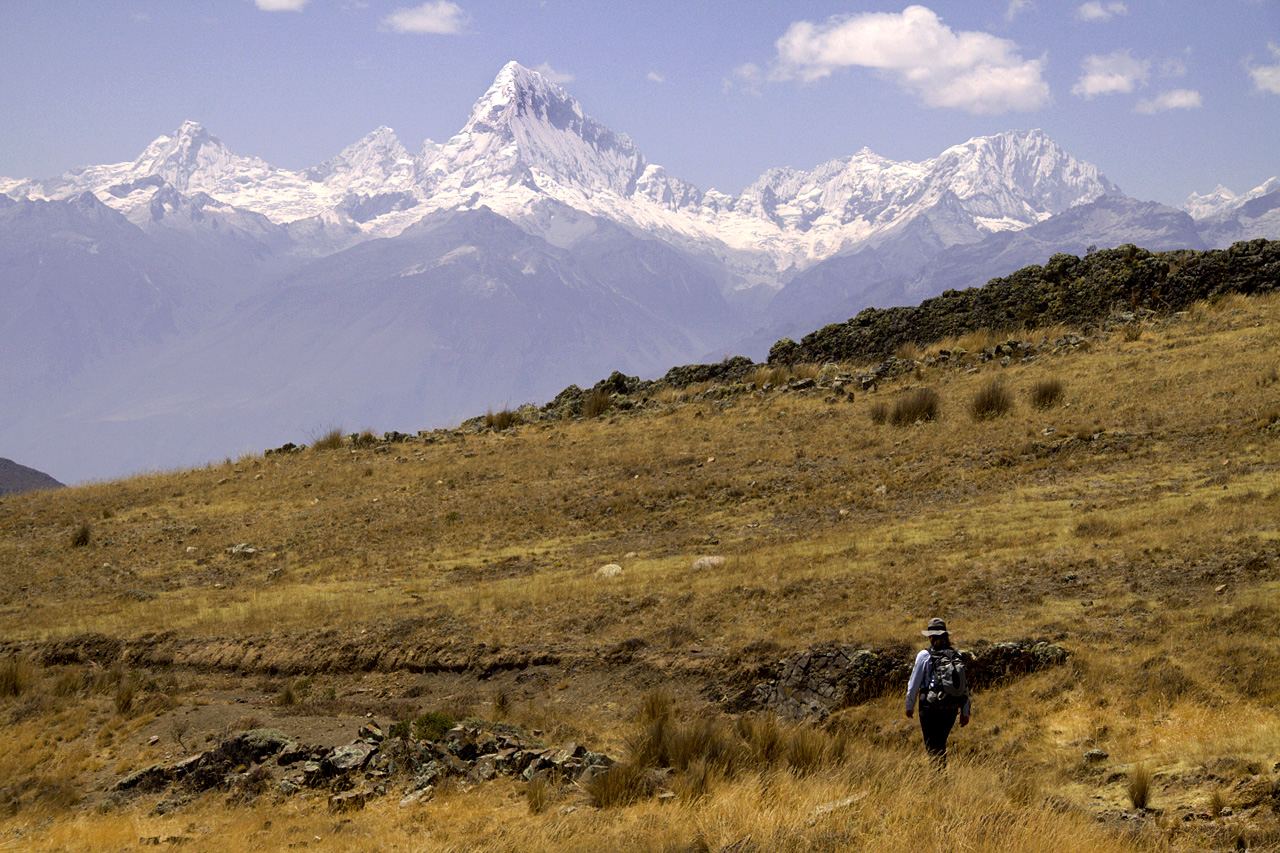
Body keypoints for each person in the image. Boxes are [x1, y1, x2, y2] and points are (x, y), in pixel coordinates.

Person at [904, 617, 970, 769]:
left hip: (930, 707)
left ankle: (938, 779)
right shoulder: (956, 655)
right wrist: (965, 711)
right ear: (946, 635)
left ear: (930, 636)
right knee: (940, 742)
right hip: (952, 707)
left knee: (932, 745)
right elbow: (964, 686)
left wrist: (909, 705)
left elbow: (913, 684)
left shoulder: (924, 655)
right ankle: (939, 776)